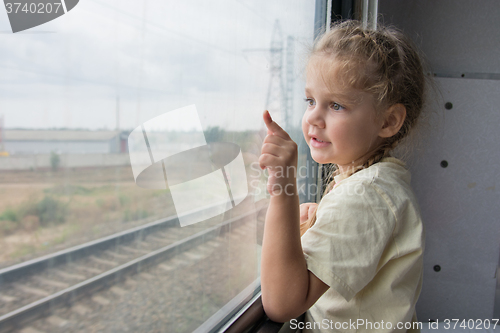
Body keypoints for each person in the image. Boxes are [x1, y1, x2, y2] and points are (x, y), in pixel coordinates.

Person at [259, 20, 426, 332]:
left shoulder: (364, 196)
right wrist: (321, 219)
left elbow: (281, 304)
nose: (313, 118)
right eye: (310, 101)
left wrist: (283, 189)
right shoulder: (374, 180)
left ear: (388, 121)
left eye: (336, 105)